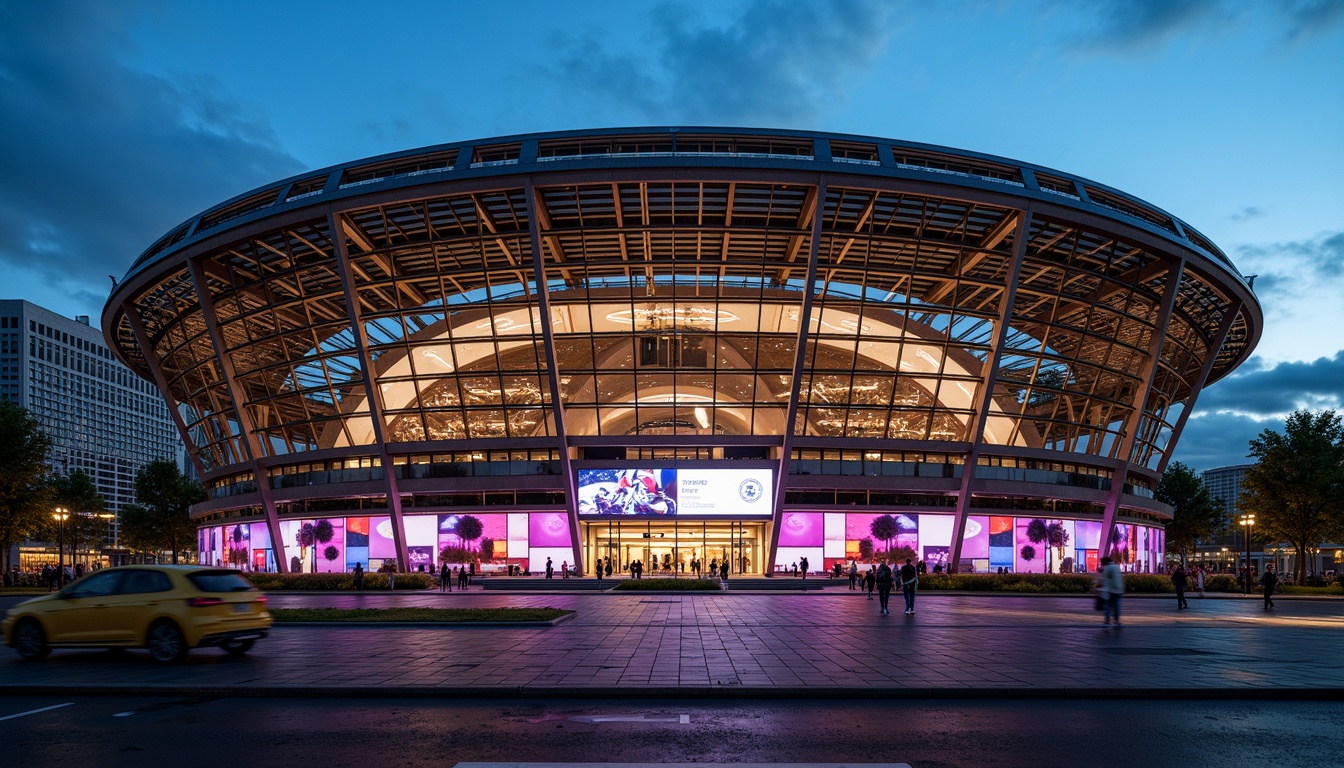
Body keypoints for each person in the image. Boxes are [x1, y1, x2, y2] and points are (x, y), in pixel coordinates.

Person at [1096, 556, 1124, 628]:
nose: (1101, 564)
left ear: (1105, 562)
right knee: (1116, 607)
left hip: (1110, 590)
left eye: (1102, 563)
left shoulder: (1107, 568)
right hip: (1119, 590)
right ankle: (1116, 621)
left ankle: (1107, 621)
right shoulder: (1116, 567)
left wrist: (1098, 586)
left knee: (1107, 606)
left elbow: (1102, 578)